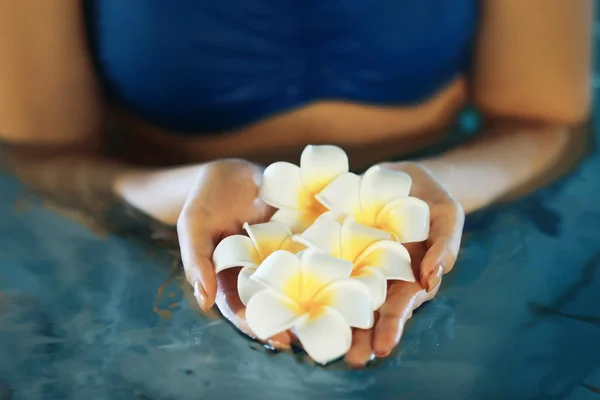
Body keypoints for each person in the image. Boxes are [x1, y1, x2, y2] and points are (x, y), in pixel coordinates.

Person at [0, 1, 592, 367]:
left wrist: (448, 189)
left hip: (456, 230)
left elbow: (545, 123)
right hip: (158, 244)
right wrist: (178, 195)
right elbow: (42, 158)